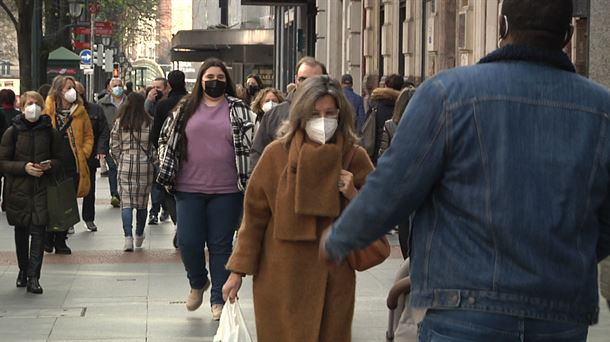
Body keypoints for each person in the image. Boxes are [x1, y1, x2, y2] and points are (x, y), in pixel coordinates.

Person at [321, 0, 610, 340]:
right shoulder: (600, 110)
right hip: (559, 309)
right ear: (568, 33)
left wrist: (339, 238)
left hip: (463, 304)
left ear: (502, 26)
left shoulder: (448, 94)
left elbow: (392, 188)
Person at [222, 75, 373, 341]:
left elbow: (379, 213)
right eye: (315, 114)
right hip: (279, 278)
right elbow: (254, 219)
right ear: (301, 115)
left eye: (330, 113)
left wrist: (353, 194)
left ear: (341, 115)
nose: (323, 121)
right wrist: (237, 272)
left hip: (334, 279)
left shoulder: (353, 157)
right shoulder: (275, 155)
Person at [157, 58, 254, 320]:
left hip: (227, 190)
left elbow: (252, 142)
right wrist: (164, 163)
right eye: (210, 76)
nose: (215, 81)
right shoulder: (185, 108)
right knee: (188, 241)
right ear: (200, 79)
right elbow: (165, 139)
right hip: (188, 188)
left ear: (227, 81)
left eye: (220, 77)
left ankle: (218, 300)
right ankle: (198, 282)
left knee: (221, 245)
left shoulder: (239, 109)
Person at [0, 91, 63, 294]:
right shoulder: (13, 132)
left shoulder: (50, 132)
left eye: (36, 103)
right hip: (18, 191)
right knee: (21, 232)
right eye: (29, 103)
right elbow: (3, 162)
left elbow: (61, 159)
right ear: (22, 106)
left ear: (42, 106)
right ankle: (23, 270)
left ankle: (34, 277)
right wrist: (23, 167)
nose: (32, 107)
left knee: (38, 232)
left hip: (41, 189)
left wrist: (49, 165)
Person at [249, 57, 327, 170]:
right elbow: (257, 156)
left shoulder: (334, 114)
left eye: (314, 80)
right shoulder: (273, 116)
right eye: (303, 79)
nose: (307, 84)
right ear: (295, 80)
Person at [44, 76, 94, 250]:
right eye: (68, 88)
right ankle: (48, 236)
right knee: (51, 202)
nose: (72, 91)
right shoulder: (48, 110)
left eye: (73, 87)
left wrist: (84, 152)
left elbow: (88, 135)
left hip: (73, 163)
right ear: (58, 90)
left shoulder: (80, 111)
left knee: (67, 203)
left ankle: (61, 239)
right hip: (52, 164)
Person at [110, 93, 154, 251]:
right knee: (142, 204)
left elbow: (113, 145)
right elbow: (153, 146)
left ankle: (127, 237)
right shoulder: (149, 122)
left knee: (126, 203)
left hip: (125, 163)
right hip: (145, 165)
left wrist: (119, 159)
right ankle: (139, 234)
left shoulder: (120, 122)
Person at [149, 70, 188, 226]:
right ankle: (185, 221)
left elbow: (156, 131)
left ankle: (178, 220)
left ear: (169, 85)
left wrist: (159, 152)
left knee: (167, 188)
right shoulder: (193, 102)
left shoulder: (163, 105)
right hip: (190, 153)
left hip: (168, 154)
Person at [75, 82, 110, 232]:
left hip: (89, 155)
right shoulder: (62, 111)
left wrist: (101, 150)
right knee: (69, 189)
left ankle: (89, 218)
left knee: (89, 188)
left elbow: (103, 131)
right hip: (70, 156)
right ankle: (70, 220)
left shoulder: (95, 110)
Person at [98, 77, 125, 207]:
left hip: (126, 142)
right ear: (109, 88)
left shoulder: (129, 102)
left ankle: (124, 192)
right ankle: (115, 194)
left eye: (119, 85)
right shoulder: (102, 104)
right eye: (115, 85)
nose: (117, 88)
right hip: (109, 141)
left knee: (123, 168)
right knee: (113, 167)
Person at [367, 73, 403, 164]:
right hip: (398, 152)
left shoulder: (375, 104)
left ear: (385, 86)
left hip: (377, 150)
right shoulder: (405, 106)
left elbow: (367, 125)